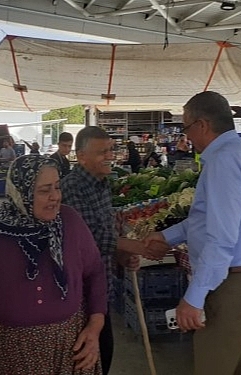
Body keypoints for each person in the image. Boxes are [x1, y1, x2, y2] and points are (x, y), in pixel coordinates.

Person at [144, 91, 241, 375]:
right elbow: (210, 219)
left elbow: (221, 237)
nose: (187, 137)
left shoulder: (222, 162)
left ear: (202, 125)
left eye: (186, 128)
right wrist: (167, 236)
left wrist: (193, 298)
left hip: (237, 285)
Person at [0, 155, 107, 375]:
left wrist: (94, 328)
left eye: (57, 187)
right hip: (4, 352)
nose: (55, 197)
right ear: (21, 192)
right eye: (44, 190)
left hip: (69, 348)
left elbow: (95, 272)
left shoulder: (70, 221)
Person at [60, 126, 169, 375]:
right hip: (79, 295)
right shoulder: (73, 188)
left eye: (111, 150)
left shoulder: (102, 184)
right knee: (85, 359)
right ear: (82, 156)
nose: (110, 156)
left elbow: (106, 232)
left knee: (104, 355)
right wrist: (138, 247)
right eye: (102, 152)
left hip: (102, 290)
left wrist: (121, 256)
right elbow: (89, 238)